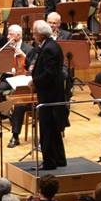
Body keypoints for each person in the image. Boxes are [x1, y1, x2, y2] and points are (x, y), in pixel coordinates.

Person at [30, 19, 68, 169]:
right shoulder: (48, 45)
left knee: (47, 128)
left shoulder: (50, 48)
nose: (33, 35)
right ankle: (59, 159)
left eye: (34, 33)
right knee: (52, 129)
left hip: (49, 94)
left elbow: (49, 73)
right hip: (49, 92)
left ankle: (49, 163)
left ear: (40, 34)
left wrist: (35, 82)